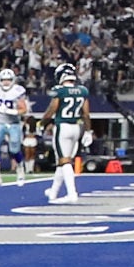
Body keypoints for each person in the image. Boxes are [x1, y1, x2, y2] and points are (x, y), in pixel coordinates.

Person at [42, 62, 92, 203]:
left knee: (64, 160)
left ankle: (72, 194)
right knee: (63, 160)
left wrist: (42, 123)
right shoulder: (82, 90)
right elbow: (86, 114)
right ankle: (53, 192)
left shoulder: (60, 90)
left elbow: (52, 110)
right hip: (76, 127)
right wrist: (88, 131)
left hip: (62, 127)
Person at [0, 66, 27, 188]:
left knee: (14, 150)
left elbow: (23, 110)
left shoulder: (18, 91)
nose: (6, 82)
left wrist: (10, 111)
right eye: (3, 79)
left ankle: (20, 170)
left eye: (8, 79)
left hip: (13, 123)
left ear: (13, 80)